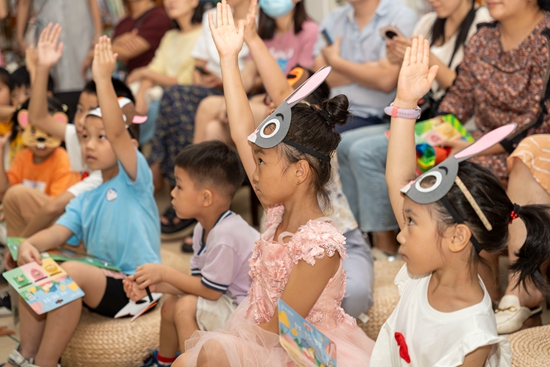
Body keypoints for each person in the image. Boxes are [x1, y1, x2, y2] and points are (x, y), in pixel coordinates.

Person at [174, 2, 374, 365]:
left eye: (262, 162)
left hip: (297, 346)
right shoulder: (277, 209)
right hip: (262, 330)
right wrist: (229, 58)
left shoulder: (320, 246)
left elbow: (282, 331)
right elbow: (239, 131)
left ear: (300, 172)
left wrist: (225, 343)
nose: (254, 173)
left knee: (213, 351)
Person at [375, 36, 539, 366]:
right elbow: (399, 179)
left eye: (410, 222)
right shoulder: (425, 271)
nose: (399, 235)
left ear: (457, 236)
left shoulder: (472, 337)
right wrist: (405, 101)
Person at [2, 36, 161, 367]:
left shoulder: (135, 179)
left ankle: (46, 363)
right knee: (35, 259)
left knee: (71, 270)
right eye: (85, 137)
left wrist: (103, 77)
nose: (89, 145)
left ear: (128, 144)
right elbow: (57, 233)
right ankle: (26, 356)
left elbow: (118, 135)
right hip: (103, 281)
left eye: (101, 137)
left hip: (138, 289)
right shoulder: (87, 193)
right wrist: (27, 245)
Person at [336, 0, 491, 257]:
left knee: (364, 151)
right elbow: (407, 77)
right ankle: (360, 235)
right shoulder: (428, 23)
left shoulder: (482, 21)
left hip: (459, 127)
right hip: (426, 118)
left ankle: (386, 244)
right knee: (347, 143)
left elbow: (464, 89)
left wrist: (427, 58)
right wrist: (400, 57)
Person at [436, 0, 550, 315]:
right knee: (439, 164)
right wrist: (437, 137)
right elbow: (457, 97)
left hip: (532, 150)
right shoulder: (482, 38)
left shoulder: (546, 40)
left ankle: (517, 290)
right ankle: (484, 294)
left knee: (471, 173)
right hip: (478, 145)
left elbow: (539, 121)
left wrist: (473, 147)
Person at [124, 141, 259, 367]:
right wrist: (154, 286)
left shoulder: (227, 235)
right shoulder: (202, 228)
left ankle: (192, 362)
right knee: (170, 305)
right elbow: (198, 283)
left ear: (206, 198)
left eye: (179, 186)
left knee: (186, 305)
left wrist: (164, 273)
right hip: (227, 300)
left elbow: (209, 292)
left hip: (248, 320)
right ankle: (164, 362)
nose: (172, 193)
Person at [150, 0, 252, 235]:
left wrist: (226, 81)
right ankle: (182, 187)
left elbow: (252, 76)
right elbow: (198, 65)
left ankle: (175, 180)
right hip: (208, 87)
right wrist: (203, 79)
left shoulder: (258, 19)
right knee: (176, 99)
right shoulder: (212, 15)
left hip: (238, 89)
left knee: (178, 98)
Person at [193, 0, 318, 146]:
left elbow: (299, 87)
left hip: (294, 106)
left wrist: (254, 101)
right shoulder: (262, 32)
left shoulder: (309, 30)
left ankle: (187, 168)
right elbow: (248, 78)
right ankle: (194, 168)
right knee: (213, 129)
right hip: (267, 101)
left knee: (208, 105)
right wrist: (229, 101)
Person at [313, 0, 417, 133]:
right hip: (332, 111)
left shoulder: (401, 15)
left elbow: (386, 81)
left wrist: (336, 62)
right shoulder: (333, 19)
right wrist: (371, 69)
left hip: (375, 116)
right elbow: (321, 78)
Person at [126, 0, 213, 145]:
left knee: (154, 110)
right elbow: (155, 68)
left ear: (194, 2)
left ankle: (124, 146)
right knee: (128, 102)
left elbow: (186, 79)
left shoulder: (205, 33)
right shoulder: (170, 36)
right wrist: (141, 95)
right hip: (158, 94)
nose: (170, 2)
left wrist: (142, 72)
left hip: (182, 98)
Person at [0, 97, 80, 202]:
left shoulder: (65, 162)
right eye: (33, 131)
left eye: (48, 132)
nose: (40, 139)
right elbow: (4, 192)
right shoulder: (22, 156)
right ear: (21, 131)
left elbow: (55, 208)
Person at [81, 0, 171, 79]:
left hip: (146, 83)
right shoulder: (124, 22)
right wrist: (118, 41)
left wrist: (93, 53)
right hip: (126, 81)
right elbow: (116, 50)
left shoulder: (159, 16)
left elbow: (127, 51)